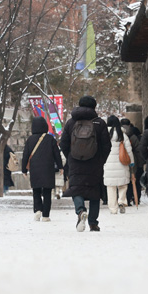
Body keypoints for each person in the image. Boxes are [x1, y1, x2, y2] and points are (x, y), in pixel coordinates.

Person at [60, 95, 111, 232]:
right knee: (94, 191)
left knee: (76, 189)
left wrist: (70, 158)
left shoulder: (71, 123)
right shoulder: (99, 123)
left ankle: (81, 210)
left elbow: (63, 143)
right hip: (95, 163)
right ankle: (93, 223)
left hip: (75, 163)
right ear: (94, 107)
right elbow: (107, 146)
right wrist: (101, 160)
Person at [21, 116, 63, 222]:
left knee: (36, 190)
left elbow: (25, 155)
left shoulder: (30, 140)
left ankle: (37, 210)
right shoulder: (50, 139)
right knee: (47, 192)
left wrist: (24, 170)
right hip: (48, 169)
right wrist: (60, 167)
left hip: (35, 169)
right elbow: (57, 154)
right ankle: (45, 215)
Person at [103, 116, 135, 215]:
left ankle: (113, 208)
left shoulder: (104, 135)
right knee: (123, 184)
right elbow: (129, 150)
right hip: (122, 163)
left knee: (110, 187)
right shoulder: (123, 135)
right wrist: (132, 162)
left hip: (108, 163)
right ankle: (121, 201)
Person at [120, 118, 144, 206]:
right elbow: (138, 150)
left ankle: (126, 197)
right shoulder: (133, 136)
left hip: (121, 159)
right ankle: (136, 197)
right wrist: (140, 163)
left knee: (124, 181)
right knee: (134, 180)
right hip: (133, 160)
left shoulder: (118, 135)